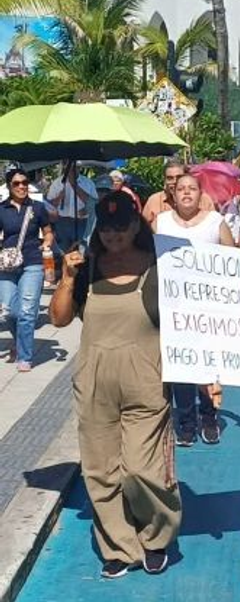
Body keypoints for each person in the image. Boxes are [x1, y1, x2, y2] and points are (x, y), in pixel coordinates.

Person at [48, 192, 180, 579]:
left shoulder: (160, 267)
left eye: (121, 226)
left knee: (141, 470)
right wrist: (68, 278)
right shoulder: (87, 268)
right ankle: (120, 546)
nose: (113, 235)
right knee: (101, 470)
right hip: (93, 384)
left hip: (147, 384)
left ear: (137, 225)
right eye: (105, 228)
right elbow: (58, 320)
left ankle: (156, 538)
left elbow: (192, 321)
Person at [154, 175, 235, 447]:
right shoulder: (162, 222)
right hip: (175, 310)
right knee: (180, 367)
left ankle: (209, 415)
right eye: (181, 189)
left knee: (207, 366)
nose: (186, 193)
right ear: (173, 194)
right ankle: (186, 423)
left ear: (201, 193)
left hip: (208, 310)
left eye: (192, 188)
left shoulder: (215, 222)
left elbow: (231, 261)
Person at [0, 168, 54, 371]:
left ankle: (25, 356)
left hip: (32, 261)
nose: (22, 186)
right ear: (9, 186)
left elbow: (48, 232)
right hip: (7, 264)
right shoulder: (1, 209)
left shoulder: (37, 208)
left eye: (25, 182)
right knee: (9, 312)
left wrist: (46, 243)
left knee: (27, 311)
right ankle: (19, 342)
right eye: (16, 183)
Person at [141, 161, 216, 226]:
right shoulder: (154, 201)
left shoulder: (204, 200)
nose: (174, 181)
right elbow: (143, 230)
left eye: (179, 177)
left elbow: (214, 226)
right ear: (165, 181)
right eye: (170, 178)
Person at [46, 161, 98, 252]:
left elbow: (94, 203)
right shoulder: (57, 183)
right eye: (69, 168)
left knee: (81, 251)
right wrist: (58, 198)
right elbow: (49, 205)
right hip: (62, 222)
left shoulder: (88, 183)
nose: (72, 170)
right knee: (62, 252)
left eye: (75, 167)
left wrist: (75, 185)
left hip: (82, 222)